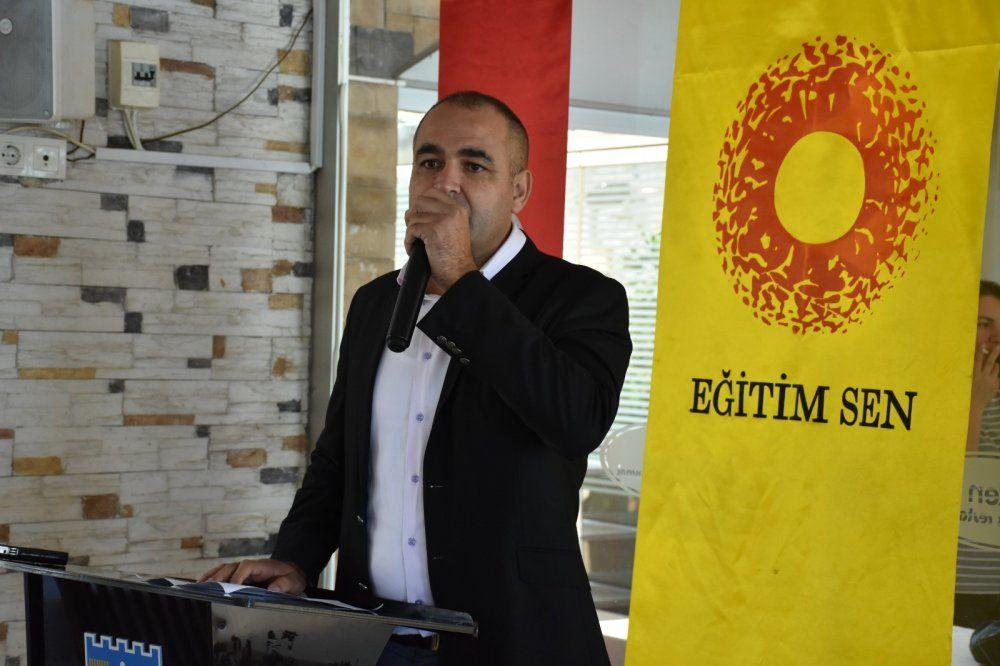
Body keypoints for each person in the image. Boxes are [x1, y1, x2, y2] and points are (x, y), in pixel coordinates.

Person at [200, 90, 632, 665]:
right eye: (430, 162)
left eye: (474, 166)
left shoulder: (581, 296)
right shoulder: (376, 302)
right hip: (373, 641)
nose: (446, 182)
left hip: (513, 641)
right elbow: (339, 458)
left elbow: (577, 420)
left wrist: (461, 281)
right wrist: (297, 558)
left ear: (519, 190)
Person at [955, 280, 1000, 628]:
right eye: (985, 324)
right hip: (957, 585)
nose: (996, 337)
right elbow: (962, 486)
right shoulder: (938, 388)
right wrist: (975, 405)